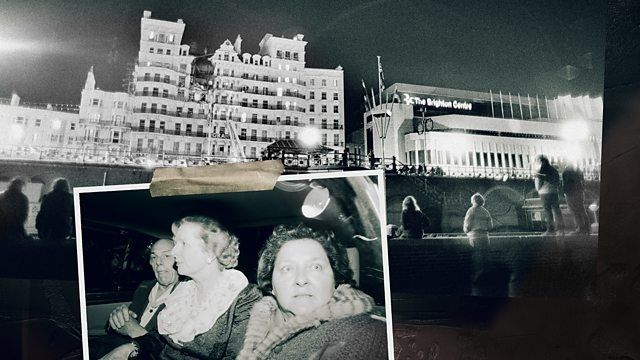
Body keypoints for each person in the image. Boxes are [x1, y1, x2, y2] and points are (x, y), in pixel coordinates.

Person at [100, 216, 262, 360]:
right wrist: (131, 349)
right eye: (176, 243)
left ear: (211, 253)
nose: (175, 252)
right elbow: (160, 340)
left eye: (183, 244)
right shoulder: (183, 292)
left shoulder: (245, 298)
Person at [237, 224, 388, 359]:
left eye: (316, 267)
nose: (301, 280)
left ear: (336, 280)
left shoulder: (364, 334)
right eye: (287, 269)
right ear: (271, 286)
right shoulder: (249, 330)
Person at [91, 239, 180, 359]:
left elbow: (170, 350)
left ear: (179, 259)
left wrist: (135, 332)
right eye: (153, 257)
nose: (158, 262)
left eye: (167, 255)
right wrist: (116, 320)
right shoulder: (144, 287)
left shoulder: (185, 296)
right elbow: (125, 324)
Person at [463, 193, 494, 296]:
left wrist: (466, 231)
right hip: (485, 236)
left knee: (477, 258)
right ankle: (486, 280)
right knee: (486, 258)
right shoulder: (486, 212)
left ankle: (477, 280)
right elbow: (490, 227)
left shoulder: (471, 210)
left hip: (475, 236)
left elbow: (467, 225)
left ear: (473, 201)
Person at [36, 178, 74, 243]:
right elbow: (73, 214)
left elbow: (42, 213)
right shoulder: (69, 197)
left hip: (48, 227)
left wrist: (39, 227)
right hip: (63, 227)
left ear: (54, 186)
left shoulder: (47, 197)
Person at [534, 155, 564, 235]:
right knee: (557, 210)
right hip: (554, 192)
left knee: (548, 211)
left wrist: (538, 189)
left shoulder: (540, 171)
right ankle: (560, 229)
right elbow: (558, 181)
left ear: (541, 161)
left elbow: (538, 185)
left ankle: (550, 230)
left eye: (538, 161)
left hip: (544, 193)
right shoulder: (554, 170)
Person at [562, 165, 591, 235]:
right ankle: (587, 228)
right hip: (579, 192)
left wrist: (565, 192)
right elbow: (582, 181)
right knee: (581, 209)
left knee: (575, 211)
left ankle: (580, 228)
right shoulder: (578, 170)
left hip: (571, 193)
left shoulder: (567, 171)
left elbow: (566, 183)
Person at [0, 177, 30, 243]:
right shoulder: (23, 198)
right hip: (16, 227)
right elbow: (24, 214)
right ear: (21, 186)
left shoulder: (1, 195)